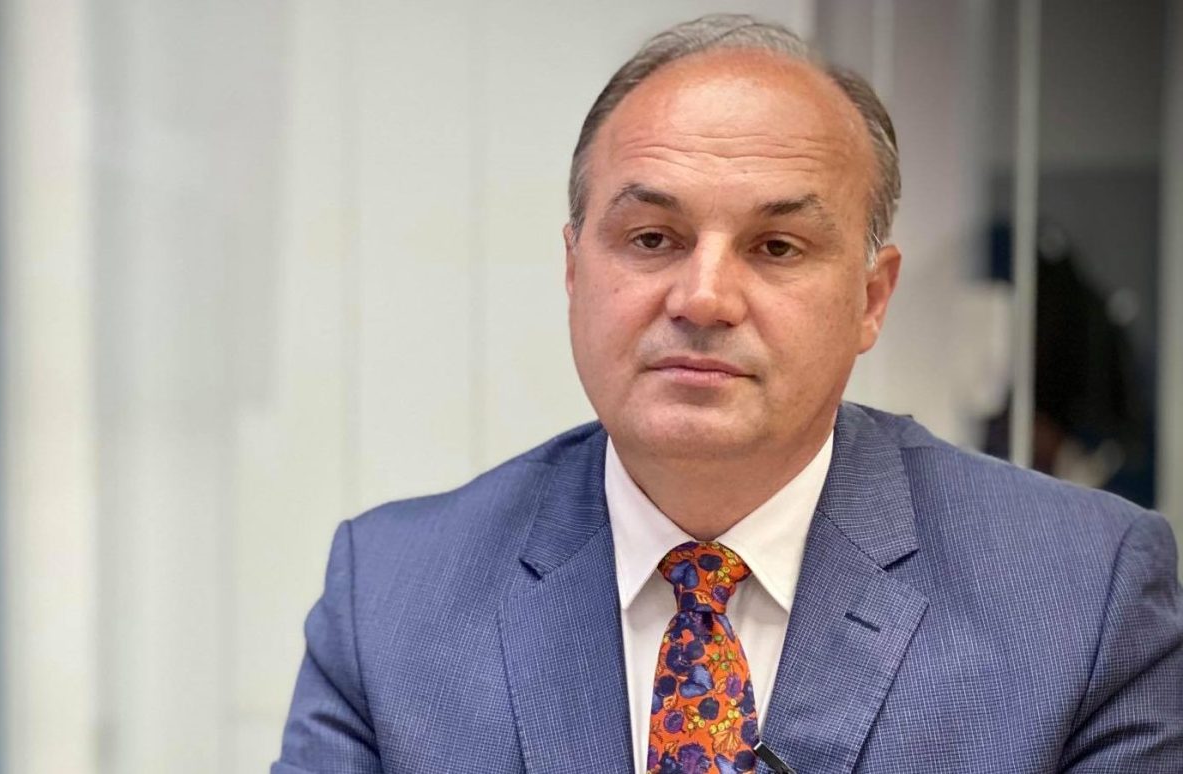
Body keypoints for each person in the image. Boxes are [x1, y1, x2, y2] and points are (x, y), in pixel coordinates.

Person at [272, 14, 1183, 774]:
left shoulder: (1084, 596)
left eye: (776, 248)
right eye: (652, 238)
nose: (703, 298)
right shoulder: (390, 596)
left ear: (871, 299)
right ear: (573, 271)